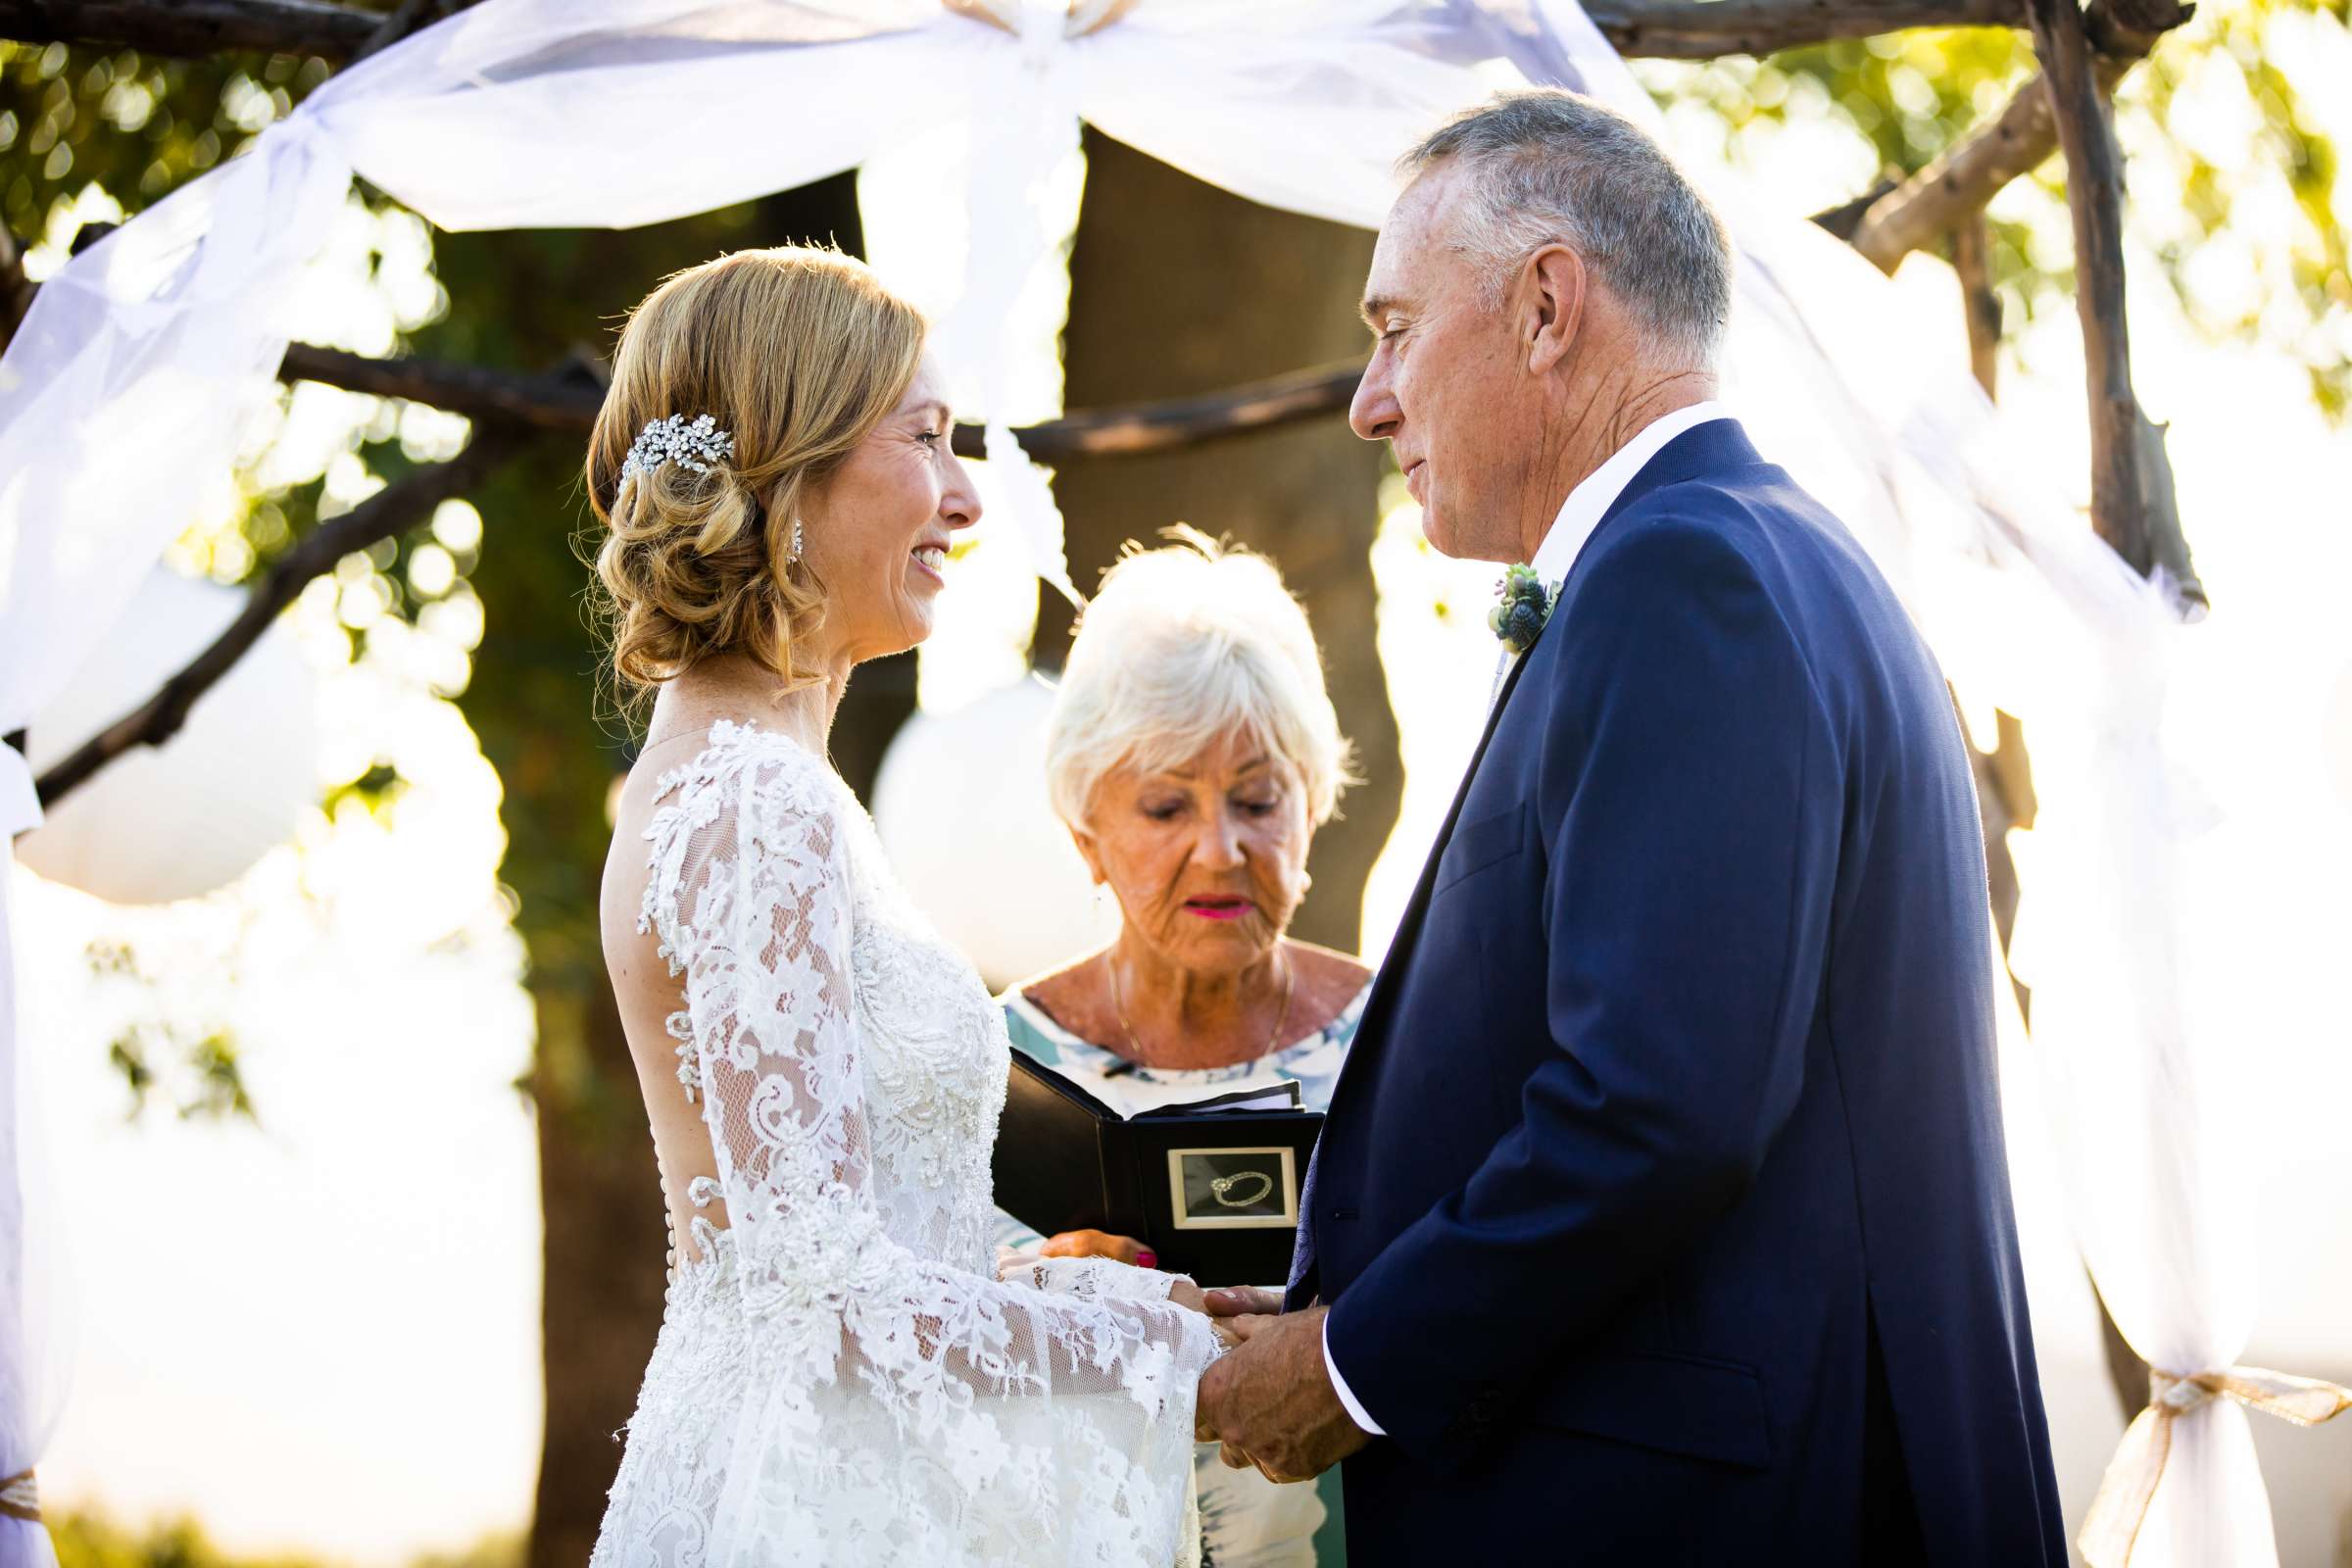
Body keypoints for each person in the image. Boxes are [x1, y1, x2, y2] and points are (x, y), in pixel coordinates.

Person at [1195, 88, 2067, 1565]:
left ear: (1546, 306)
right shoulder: (1763, 553)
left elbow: (1657, 1105)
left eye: (1396, 326)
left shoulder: (1687, 585)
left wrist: (1349, 1367)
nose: (1368, 397)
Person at [586, 246, 1228, 1568]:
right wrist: (1180, 1351)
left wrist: (1045, 1282)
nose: (967, 498)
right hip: (809, 1510)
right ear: (793, 460)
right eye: (928, 441)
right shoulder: (757, 804)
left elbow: (822, 1250)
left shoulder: (745, 781)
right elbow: (823, 1304)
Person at [996, 532, 1373, 1568]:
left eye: (1258, 799)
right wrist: (1031, 1296)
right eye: (1166, 805)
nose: (1222, 848)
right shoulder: (992, 1068)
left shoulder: (1407, 1038)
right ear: (1086, 831)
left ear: (1311, 801)